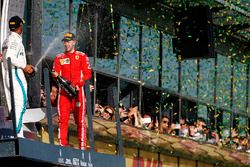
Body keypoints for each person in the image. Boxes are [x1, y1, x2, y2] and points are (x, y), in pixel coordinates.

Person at [52, 32, 92, 150]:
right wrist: (55, 75)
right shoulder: (59, 57)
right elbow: (56, 73)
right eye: (65, 41)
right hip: (64, 93)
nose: (66, 44)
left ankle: (82, 147)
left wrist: (78, 84)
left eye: (69, 41)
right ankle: (62, 146)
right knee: (62, 119)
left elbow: (87, 74)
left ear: (74, 42)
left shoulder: (82, 56)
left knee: (80, 121)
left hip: (78, 92)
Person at [1, 16, 34, 137]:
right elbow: (10, 57)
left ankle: (12, 134)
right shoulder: (15, 40)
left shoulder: (7, 40)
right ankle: (17, 135)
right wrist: (24, 66)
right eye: (22, 26)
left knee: (14, 107)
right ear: (20, 27)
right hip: (14, 73)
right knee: (20, 104)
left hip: (9, 74)